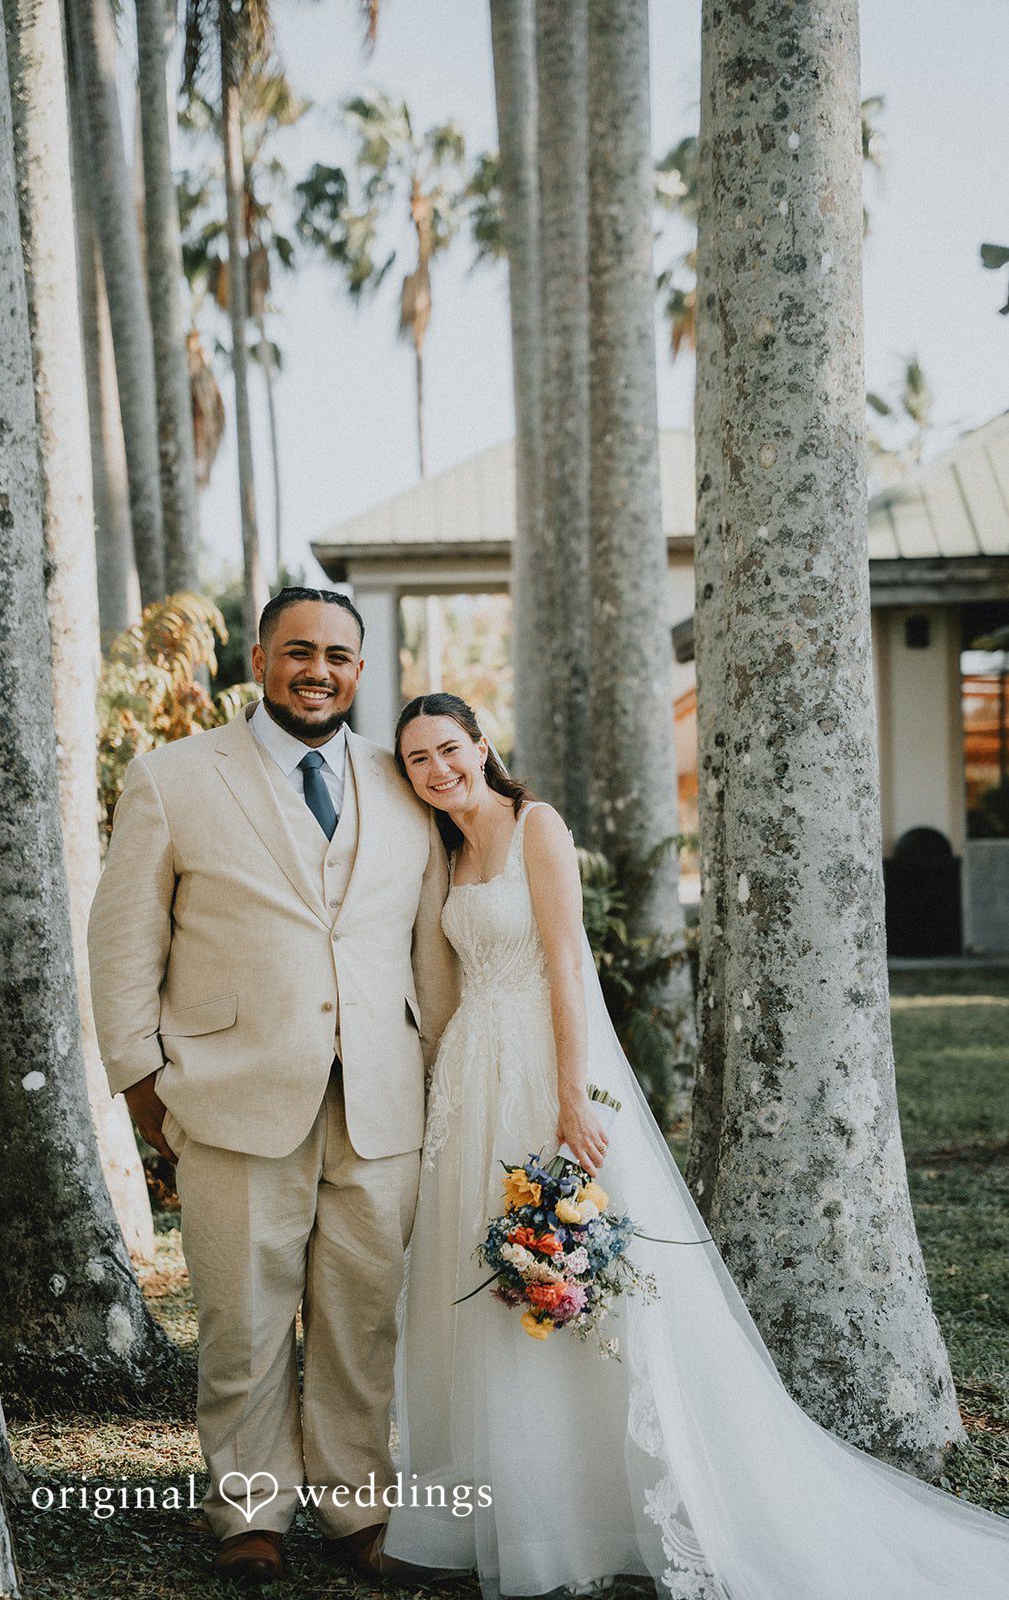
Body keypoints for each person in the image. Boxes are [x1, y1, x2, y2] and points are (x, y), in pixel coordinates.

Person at [383, 691, 1008, 1600]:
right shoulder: (441, 849)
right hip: (472, 1077)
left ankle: (600, 1506)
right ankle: (510, 1509)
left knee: (577, 1282)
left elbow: (566, 962)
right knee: (486, 1284)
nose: (438, 770)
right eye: (417, 760)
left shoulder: (535, 826)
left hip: (543, 1071)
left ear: (482, 746)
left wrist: (570, 1100)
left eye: (449, 749)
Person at [87, 590, 458, 1586]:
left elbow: (429, 946)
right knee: (243, 1322)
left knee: (361, 1318)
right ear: (258, 657)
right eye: (298, 651)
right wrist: (139, 1079)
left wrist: (443, 1077)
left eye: (338, 654)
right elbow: (125, 941)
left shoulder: (401, 780)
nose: (317, 669)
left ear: (361, 669)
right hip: (229, 1093)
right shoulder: (173, 777)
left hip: (380, 1099)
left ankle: (356, 1510)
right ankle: (248, 1513)